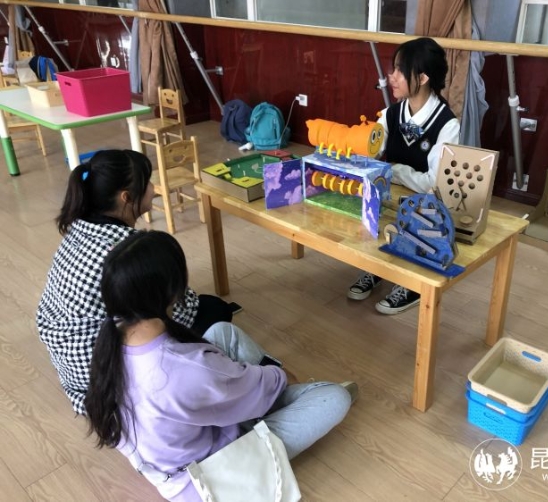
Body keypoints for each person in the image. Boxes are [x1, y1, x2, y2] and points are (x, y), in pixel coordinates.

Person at [85, 231, 356, 502]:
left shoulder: (111, 343)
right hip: (214, 474)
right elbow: (219, 379)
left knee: (222, 331)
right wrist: (280, 376)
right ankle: (295, 398)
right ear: (172, 290)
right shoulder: (185, 369)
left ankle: (277, 397)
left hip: (171, 464)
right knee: (334, 397)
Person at [36, 150, 240, 415]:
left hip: (73, 367)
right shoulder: (127, 251)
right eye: (148, 183)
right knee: (215, 311)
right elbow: (179, 311)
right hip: (110, 378)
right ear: (126, 197)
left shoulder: (79, 228)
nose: (154, 189)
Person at [348, 37, 460, 314]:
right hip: (392, 197)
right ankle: (377, 266)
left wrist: (392, 170)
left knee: (421, 226)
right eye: (393, 68)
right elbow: (371, 154)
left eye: (400, 70)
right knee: (368, 203)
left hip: (425, 207)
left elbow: (434, 182)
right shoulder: (390, 114)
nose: (392, 77)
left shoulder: (447, 125)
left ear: (422, 78)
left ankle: (412, 284)